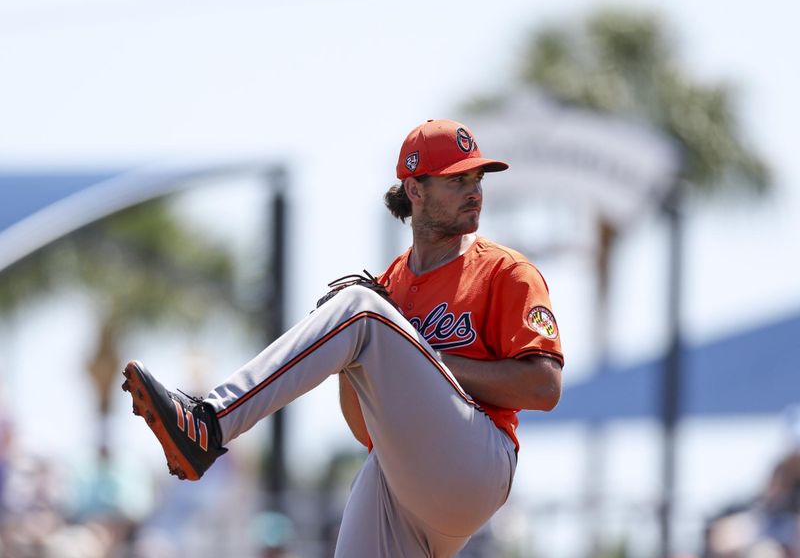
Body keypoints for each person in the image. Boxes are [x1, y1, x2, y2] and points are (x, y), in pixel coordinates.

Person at [122, 118, 564, 557]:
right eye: (457, 179)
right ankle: (211, 423)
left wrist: (427, 358)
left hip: (479, 462)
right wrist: (353, 361)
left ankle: (211, 422)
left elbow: (544, 388)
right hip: (406, 480)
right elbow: (366, 432)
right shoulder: (391, 285)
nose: (475, 191)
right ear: (415, 190)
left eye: (477, 178)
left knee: (358, 305)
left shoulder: (505, 272)